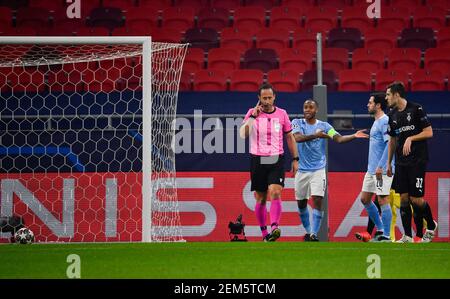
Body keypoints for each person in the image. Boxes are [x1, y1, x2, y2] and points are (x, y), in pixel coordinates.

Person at [292, 98, 368, 241]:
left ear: (316, 110)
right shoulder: (297, 123)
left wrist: (354, 135)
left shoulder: (325, 125)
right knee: (301, 203)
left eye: (310, 107)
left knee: (318, 199)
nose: (307, 110)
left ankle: (313, 234)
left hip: (318, 169)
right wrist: (316, 135)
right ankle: (308, 231)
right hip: (302, 169)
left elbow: (338, 139)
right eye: (305, 107)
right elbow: (297, 138)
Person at [239, 83, 299, 242]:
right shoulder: (251, 113)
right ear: (258, 98)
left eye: (269, 97)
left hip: (276, 158)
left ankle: (274, 226)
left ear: (274, 97)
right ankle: (265, 233)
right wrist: (253, 117)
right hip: (257, 158)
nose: (266, 101)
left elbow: (289, 137)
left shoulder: (282, 114)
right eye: (263, 98)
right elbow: (243, 135)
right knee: (261, 198)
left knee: (276, 191)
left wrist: (295, 159)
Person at [386, 81, 437, 243]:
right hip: (401, 162)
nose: (386, 98)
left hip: (417, 159)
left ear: (396, 94)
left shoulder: (416, 109)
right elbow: (393, 140)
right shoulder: (392, 115)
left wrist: (411, 138)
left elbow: (429, 132)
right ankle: (407, 236)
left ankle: (431, 225)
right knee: (403, 199)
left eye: (388, 94)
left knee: (417, 200)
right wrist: (389, 163)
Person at [355, 93, 394, 242]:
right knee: (364, 199)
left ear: (378, 105)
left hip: (381, 170)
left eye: (370, 102)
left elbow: (389, 143)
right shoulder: (376, 121)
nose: (367, 105)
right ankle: (380, 229)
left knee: (383, 199)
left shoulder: (384, 121)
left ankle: (387, 236)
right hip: (371, 170)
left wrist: (381, 166)